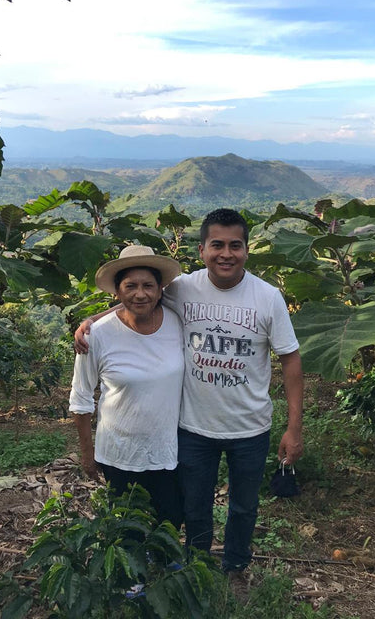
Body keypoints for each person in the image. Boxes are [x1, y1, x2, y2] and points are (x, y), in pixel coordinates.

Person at [75, 209, 304, 576]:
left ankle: (234, 567)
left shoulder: (268, 297)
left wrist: (294, 427)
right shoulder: (185, 288)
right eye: (217, 245)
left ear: (247, 250)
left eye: (235, 245)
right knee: (195, 506)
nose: (225, 254)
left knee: (244, 506)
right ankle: (196, 570)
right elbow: (139, 295)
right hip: (194, 428)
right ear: (202, 250)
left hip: (251, 427)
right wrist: (94, 321)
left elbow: (291, 361)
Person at [69, 245, 184, 529]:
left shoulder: (178, 322)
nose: (140, 293)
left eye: (148, 285)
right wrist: (87, 453)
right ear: (117, 292)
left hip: (169, 448)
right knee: (128, 525)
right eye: (130, 286)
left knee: (169, 519)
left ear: (160, 289)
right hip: (119, 452)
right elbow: (81, 397)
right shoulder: (97, 336)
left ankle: (167, 567)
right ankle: (132, 573)